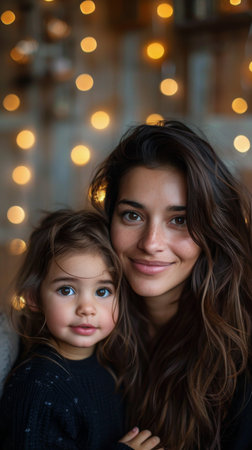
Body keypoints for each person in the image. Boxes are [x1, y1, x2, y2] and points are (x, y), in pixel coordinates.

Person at [89, 120, 252, 450]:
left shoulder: (242, 356)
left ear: (211, 228)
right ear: (110, 221)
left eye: (179, 220)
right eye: (132, 215)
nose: (151, 243)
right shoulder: (81, 327)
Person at [0, 209, 162, 450]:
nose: (87, 308)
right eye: (67, 290)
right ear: (34, 297)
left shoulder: (109, 364)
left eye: (103, 291)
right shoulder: (38, 386)